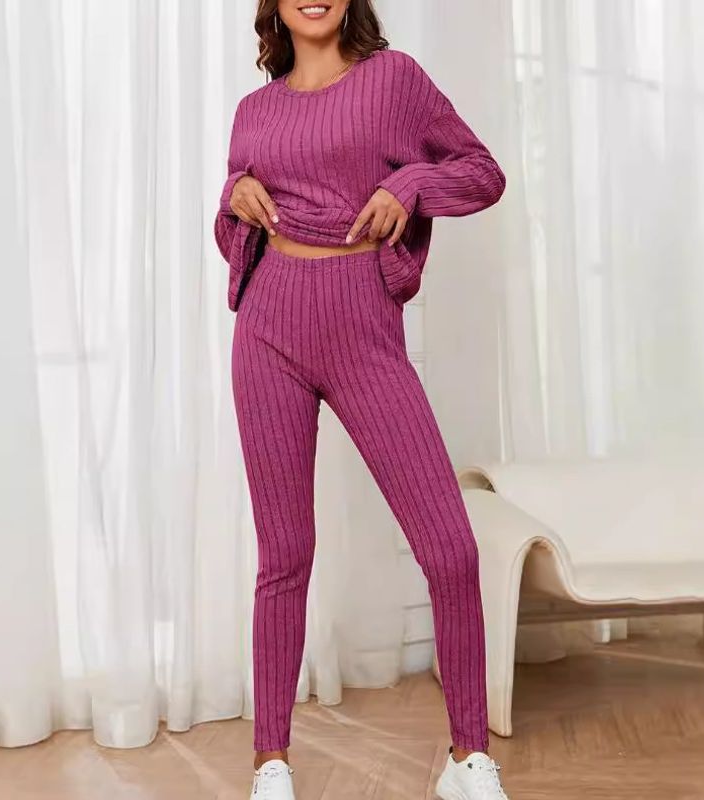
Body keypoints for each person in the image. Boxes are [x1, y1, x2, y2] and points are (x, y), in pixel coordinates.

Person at [213, 2, 510, 798]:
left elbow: (483, 173)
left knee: (450, 548)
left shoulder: (393, 80)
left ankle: (468, 761)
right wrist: (236, 194)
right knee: (284, 555)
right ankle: (271, 764)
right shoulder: (253, 111)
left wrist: (412, 181)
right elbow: (230, 224)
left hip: (362, 327)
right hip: (268, 327)